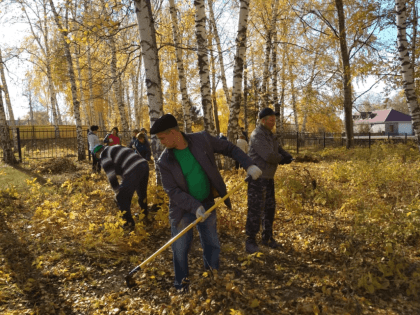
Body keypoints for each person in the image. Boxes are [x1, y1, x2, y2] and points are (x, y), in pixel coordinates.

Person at [151, 114, 262, 292]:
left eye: (162, 138)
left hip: (208, 202)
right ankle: (181, 284)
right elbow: (172, 191)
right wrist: (195, 207)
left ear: (173, 133)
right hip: (182, 209)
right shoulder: (165, 161)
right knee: (180, 248)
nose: (161, 143)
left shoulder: (201, 139)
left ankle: (212, 278)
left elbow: (229, 148)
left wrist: (248, 164)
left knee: (211, 243)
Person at [245, 107, 293, 254]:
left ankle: (267, 237)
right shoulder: (257, 135)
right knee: (255, 210)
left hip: (268, 178)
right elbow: (269, 155)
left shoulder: (270, 135)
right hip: (257, 179)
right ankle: (250, 241)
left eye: (274, 120)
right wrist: (281, 159)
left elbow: (278, 150)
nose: (273, 122)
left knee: (269, 209)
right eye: (271, 120)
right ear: (263, 120)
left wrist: (288, 156)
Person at [92, 144, 149, 229]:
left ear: (97, 154)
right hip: (143, 164)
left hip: (133, 168)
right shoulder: (115, 148)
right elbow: (124, 173)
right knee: (142, 193)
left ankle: (128, 224)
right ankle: (145, 216)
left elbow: (112, 177)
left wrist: (117, 192)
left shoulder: (104, 155)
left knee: (122, 197)